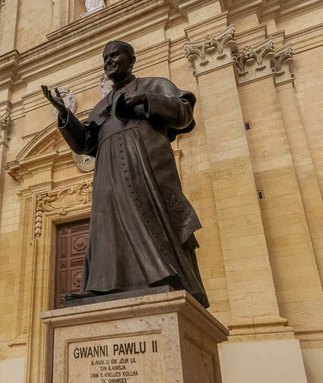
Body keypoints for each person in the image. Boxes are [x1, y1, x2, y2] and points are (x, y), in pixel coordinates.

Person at [41, 40, 209, 307]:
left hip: (145, 167)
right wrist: (65, 114)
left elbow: (184, 113)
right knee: (106, 226)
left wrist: (146, 99)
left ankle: (163, 276)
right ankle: (102, 285)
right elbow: (85, 142)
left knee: (153, 219)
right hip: (107, 174)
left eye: (114, 55)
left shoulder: (154, 85)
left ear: (131, 60)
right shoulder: (100, 106)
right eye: (105, 57)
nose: (108, 61)